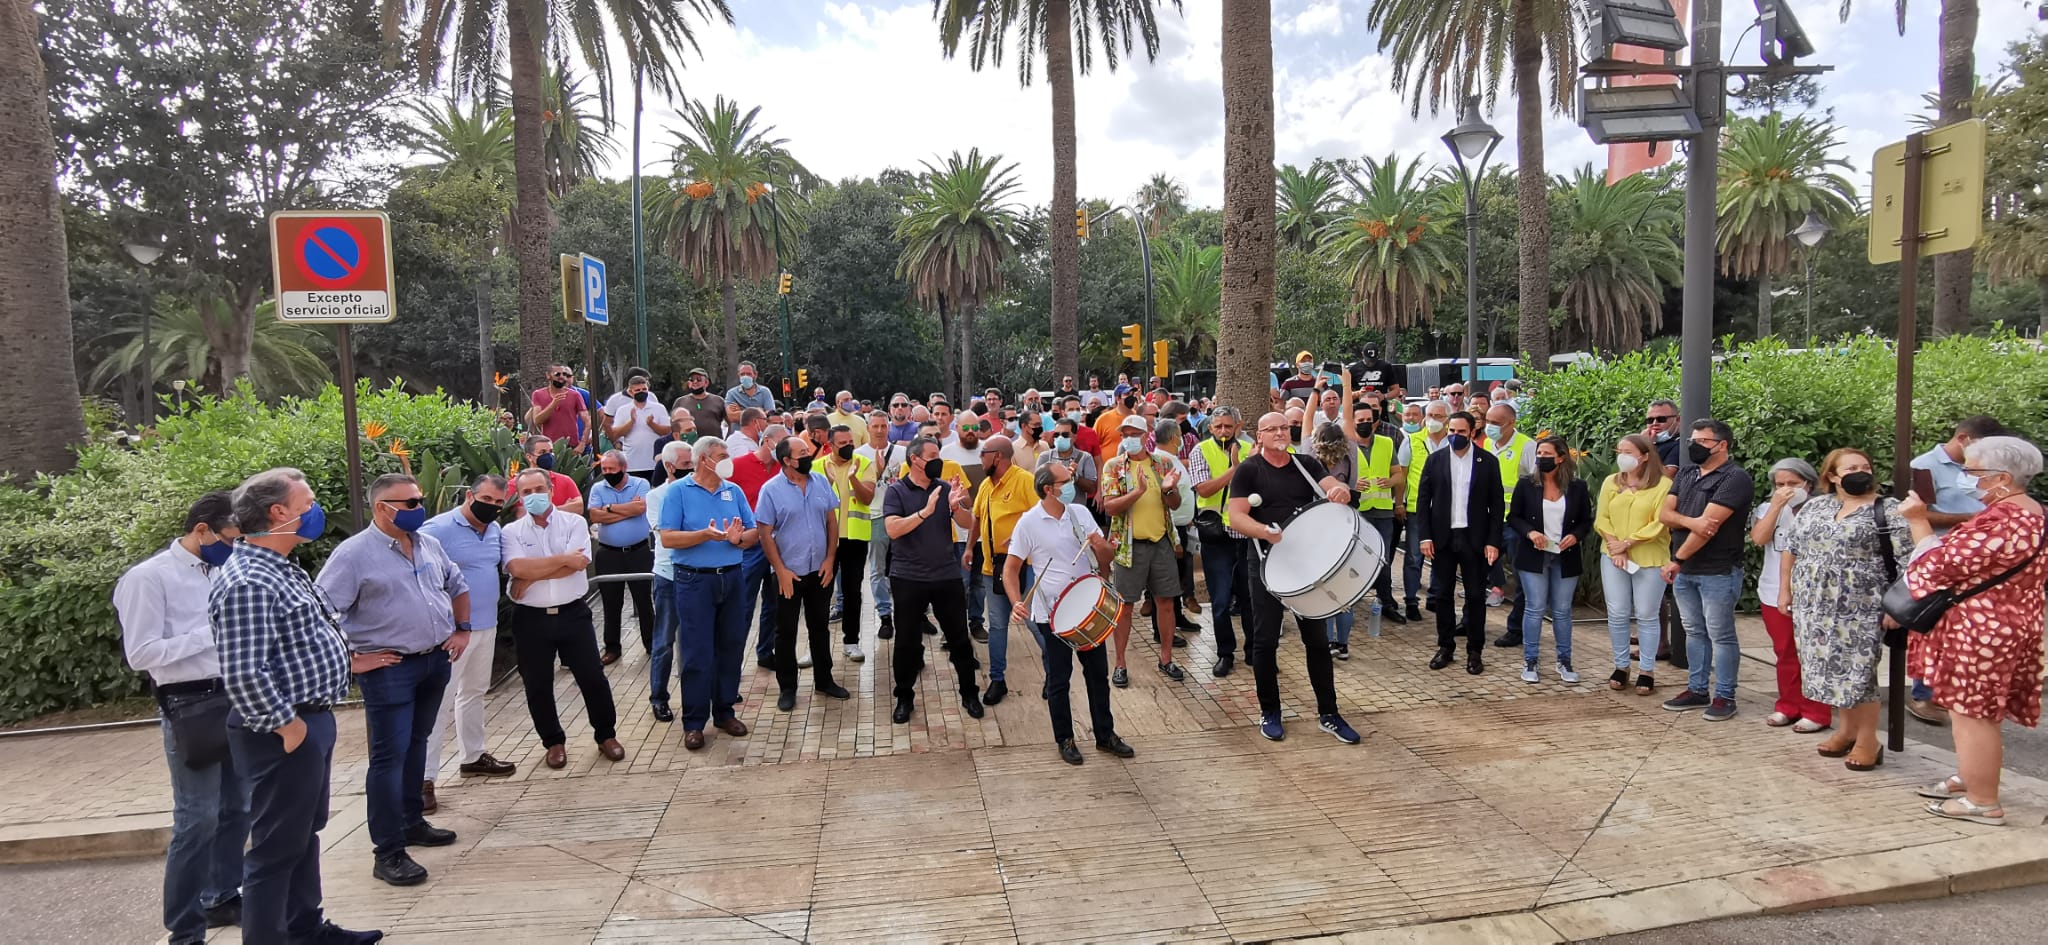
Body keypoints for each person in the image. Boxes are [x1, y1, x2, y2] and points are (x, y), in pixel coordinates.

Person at [209, 468, 377, 945]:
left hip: (309, 719)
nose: (315, 509)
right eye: (307, 501)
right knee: (275, 849)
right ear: (278, 512)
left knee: (303, 836)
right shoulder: (248, 580)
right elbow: (244, 671)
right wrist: (289, 727)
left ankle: (306, 929)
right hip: (283, 728)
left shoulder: (279, 567)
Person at [316, 474, 468, 886]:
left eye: (420, 498)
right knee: (389, 757)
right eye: (411, 501)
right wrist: (351, 660)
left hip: (434, 660)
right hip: (390, 670)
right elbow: (321, 613)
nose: (420, 506)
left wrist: (463, 627)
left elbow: (456, 584)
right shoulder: (353, 555)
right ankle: (388, 852)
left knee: (417, 743)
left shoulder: (427, 543)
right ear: (383, 508)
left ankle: (411, 821)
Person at [115, 492, 249, 944]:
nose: (236, 546)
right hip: (189, 702)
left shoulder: (226, 568)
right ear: (202, 531)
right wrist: (210, 634)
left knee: (239, 807)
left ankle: (221, 895)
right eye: (231, 538)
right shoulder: (149, 578)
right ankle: (185, 928)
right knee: (198, 817)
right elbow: (141, 653)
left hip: (235, 696)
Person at [1899, 436, 2048, 827]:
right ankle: (1971, 775)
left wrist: (1918, 519)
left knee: (1972, 714)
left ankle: (1983, 801)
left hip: (1981, 632)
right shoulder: (2034, 513)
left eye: (1972, 471)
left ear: (2001, 477)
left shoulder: (2005, 519)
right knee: (1978, 711)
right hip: (2007, 624)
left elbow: (1936, 565)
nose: (1966, 478)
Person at [1225, 412, 1360, 744]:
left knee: (1316, 640)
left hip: (1306, 566)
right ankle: (1270, 711)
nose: (1280, 433)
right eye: (1271, 429)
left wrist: (1340, 491)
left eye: (1284, 427)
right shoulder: (1248, 470)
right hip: (1266, 564)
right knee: (1265, 641)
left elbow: (1332, 486)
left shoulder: (1306, 465)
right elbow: (1235, 517)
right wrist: (1265, 532)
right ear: (1260, 435)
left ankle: (1329, 713)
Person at [1779, 448, 1912, 770]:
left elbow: (1910, 561)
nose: (1860, 472)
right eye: (1851, 467)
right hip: (1814, 606)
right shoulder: (1816, 506)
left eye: (1864, 467)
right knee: (1829, 670)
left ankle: (1868, 739)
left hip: (1862, 606)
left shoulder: (1889, 510)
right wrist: (1785, 589)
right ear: (1833, 476)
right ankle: (1847, 730)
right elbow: (1792, 548)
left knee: (1859, 674)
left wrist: (1898, 608)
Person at [1004, 463, 1135, 764]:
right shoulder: (1028, 523)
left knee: (1098, 676)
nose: (1073, 484)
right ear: (1048, 488)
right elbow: (1011, 569)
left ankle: (1106, 735)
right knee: (1059, 680)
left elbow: (1106, 556)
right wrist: (1016, 602)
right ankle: (1065, 739)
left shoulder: (1079, 513)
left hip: (1086, 609)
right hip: (1052, 614)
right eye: (1066, 480)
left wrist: (1102, 547)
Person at [502, 469, 625, 769]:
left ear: (550, 489)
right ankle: (554, 742)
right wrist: (558, 562)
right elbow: (517, 567)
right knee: (538, 684)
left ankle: (606, 735)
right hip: (531, 619)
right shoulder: (511, 532)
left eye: (538, 489)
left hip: (573, 614)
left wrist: (532, 575)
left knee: (593, 678)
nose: (533, 496)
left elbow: (579, 564)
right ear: (519, 496)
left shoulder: (574, 522)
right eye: (526, 492)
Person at [417, 476, 518, 811]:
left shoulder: (494, 531)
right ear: (470, 495)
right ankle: (424, 778)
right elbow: (416, 573)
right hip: (452, 631)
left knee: (474, 693)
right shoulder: (439, 528)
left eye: (498, 502)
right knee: (439, 703)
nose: (491, 506)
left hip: (486, 625)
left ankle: (473, 756)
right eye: (486, 498)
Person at [1904, 415, 2009, 724]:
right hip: (1940, 558)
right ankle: (1924, 696)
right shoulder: (1924, 466)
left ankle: (1954, 692)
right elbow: (1920, 515)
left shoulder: (1985, 465)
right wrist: (1975, 520)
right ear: (1963, 438)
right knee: (1933, 624)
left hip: (1980, 560)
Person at [655, 437, 758, 750]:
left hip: (731, 577)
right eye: (722, 455)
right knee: (698, 652)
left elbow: (753, 533)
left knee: (731, 646)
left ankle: (725, 712)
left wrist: (739, 539)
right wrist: (703, 535)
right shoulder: (677, 492)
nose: (728, 459)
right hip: (694, 581)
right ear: (704, 460)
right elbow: (669, 538)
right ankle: (695, 722)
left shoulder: (733, 490)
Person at [883, 437, 985, 725]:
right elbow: (892, 529)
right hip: (908, 577)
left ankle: (969, 693)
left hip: (945, 575)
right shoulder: (897, 491)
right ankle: (904, 697)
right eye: (932, 455)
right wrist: (924, 512)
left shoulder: (944, 488)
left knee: (959, 640)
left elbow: (967, 524)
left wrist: (955, 506)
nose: (937, 460)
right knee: (905, 642)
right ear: (915, 459)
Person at [1659, 418, 1754, 722]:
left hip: (1717, 570)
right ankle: (1697, 689)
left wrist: (1678, 560)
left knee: (1720, 634)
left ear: (1722, 445)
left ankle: (1725, 695)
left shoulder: (1735, 478)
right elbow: (1665, 514)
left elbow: (1709, 528)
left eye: (1702, 441)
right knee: (1694, 632)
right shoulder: (1687, 473)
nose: (1693, 446)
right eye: (1692, 440)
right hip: (1687, 571)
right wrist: (1692, 521)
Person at [755, 434, 850, 711]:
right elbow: (764, 533)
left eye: (808, 450)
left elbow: (831, 520)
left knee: (820, 628)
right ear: (786, 461)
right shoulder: (771, 490)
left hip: (820, 570)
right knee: (785, 632)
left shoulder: (820, 481)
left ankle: (824, 679)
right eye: (802, 453)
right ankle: (787, 687)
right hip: (789, 574)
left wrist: (831, 559)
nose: (809, 455)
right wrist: (780, 570)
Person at [1100, 414, 1188, 683]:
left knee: (1166, 602)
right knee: (1125, 606)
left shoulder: (1162, 463)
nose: (1130, 439)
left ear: (1146, 434)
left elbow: (1173, 504)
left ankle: (1166, 659)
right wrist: (1137, 492)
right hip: (1129, 547)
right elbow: (1110, 506)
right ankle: (1120, 663)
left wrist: (1169, 489)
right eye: (1125, 434)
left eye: (1135, 434)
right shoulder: (1114, 466)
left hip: (1160, 542)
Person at [1417, 411, 1503, 675]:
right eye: (1451, 431)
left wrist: (1492, 541)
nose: (1455, 436)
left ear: (1472, 432)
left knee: (1476, 595)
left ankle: (1475, 651)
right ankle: (1446, 646)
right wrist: (1425, 536)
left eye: (1461, 432)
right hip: (1442, 538)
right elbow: (1423, 500)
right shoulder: (1436, 460)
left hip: (1474, 538)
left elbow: (1496, 505)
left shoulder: (1487, 462)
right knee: (1442, 594)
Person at [1749, 458, 1828, 730]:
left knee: (1812, 653)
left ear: (1808, 483)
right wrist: (1775, 507)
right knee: (1785, 651)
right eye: (1780, 484)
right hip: (1773, 590)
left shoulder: (1823, 509)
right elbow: (1759, 539)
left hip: (1814, 593)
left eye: (1793, 484)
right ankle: (1788, 705)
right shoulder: (1768, 507)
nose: (1786, 489)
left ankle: (1816, 711)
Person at [1507, 436, 1592, 684]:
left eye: (1546, 453)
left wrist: (1575, 536)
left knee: (1563, 610)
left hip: (1565, 556)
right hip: (1534, 554)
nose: (1541, 457)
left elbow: (1587, 520)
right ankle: (1530, 660)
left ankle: (1564, 661)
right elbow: (1514, 517)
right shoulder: (1526, 484)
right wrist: (1531, 533)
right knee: (1534, 608)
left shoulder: (1577, 487)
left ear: (1561, 457)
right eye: (1539, 453)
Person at [1595, 434, 1673, 697]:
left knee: (1647, 614)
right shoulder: (1611, 482)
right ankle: (1621, 665)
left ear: (1645, 456)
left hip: (1649, 557)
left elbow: (1660, 522)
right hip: (1613, 555)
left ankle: (1647, 670)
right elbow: (1602, 517)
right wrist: (1615, 544)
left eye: (1628, 451)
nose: (1622, 456)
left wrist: (1629, 543)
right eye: (1620, 450)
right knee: (1617, 613)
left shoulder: (1663, 485)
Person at [972, 434, 1037, 704]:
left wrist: (1021, 534)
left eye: (983, 452)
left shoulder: (1024, 480)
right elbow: (975, 518)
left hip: (1023, 566)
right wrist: (967, 548)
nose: (980, 457)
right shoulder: (987, 485)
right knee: (997, 625)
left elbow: (1043, 514)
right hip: (992, 567)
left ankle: (1056, 675)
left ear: (997, 456)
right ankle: (998, 680)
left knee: (1034, 623)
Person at [1190, 406, 1253, 676]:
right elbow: (1204, 488)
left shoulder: (1252, 450)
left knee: (1251, 598)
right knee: (1220, 600)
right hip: (1216, 536)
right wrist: (1237, 468)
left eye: (1229, 426)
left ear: (1238, 427)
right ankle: (1225, 653)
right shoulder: (1200, 451)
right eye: (1218, 427)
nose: (1224, 431)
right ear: (1211, 428)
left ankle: (1255, 651)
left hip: (1247, 535)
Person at [643, 441, 694, 721]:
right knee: (663, 641)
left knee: (699, 638)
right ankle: (659, 697)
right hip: (668, 576)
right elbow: (667, 534)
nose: (692, 469)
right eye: (687, 465)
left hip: (697, 574)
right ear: (670, 467)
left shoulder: (702, 490)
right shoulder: (657, 496)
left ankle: (703, 691)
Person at [588, 450, 654, 664]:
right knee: (610, 603)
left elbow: (642, 508)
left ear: (623, 468)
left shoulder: (640, 484)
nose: (607, 473)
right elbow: (595, 515)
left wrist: (608, 509)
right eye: (604, 469)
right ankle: (612, 648)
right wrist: (627, 509)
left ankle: (652, 645)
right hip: (609, 554)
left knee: (644, 601)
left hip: (639, 552)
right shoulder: (598, 487)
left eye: (611, 469)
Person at [730, 424, 788, 667]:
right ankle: (733, 663)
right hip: (751, 544)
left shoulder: (783, 468)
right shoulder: (739, 466)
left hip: (777, 543)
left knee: (774, 604)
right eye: (782, 443)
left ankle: (766, 652)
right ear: (767, 441)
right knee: (742, 604)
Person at [821, 424, 874, 663]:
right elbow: (814, 502)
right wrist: (831, 483)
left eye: (850, 442)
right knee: (820, 592)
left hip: (854, 538)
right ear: (830, 444)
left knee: (853, 591)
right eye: (842, 443)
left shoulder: (863, 463)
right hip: (824, 540)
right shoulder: (816, 466)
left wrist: (853, 477)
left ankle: (851, 641)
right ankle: (815, 643)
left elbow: (867, 498)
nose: (848, 446)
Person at [1485, 403, 1537, 641]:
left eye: (1496, 423)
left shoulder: (1526, 446)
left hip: (1515, 524)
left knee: (1520, 575)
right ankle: (1471, 619)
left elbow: (1535, 484)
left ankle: (1516, 629)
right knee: (1480, 566)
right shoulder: (1487, 444)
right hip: (1490, 520)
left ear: (1511, 423)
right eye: (1488, 421)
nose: (1490, 427)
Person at [1399, 400, 1452, 622]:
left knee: (1441, 556)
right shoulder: (1411, 441)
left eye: (1438, 416)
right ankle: (1411, 600)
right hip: (1416, 510)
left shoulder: (1453, 442)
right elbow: (1402, 474)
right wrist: (1399, 503)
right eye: (1429, 415)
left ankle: (1434, 596)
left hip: (1444, 511)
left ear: (1447, 419)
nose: (1433, 420)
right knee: (1413, 556)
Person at [858, 413, 909, 640]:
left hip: (900, 516)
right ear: (868, 428)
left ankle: (909, 613)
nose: (879, 430)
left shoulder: (901, 453)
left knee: (905, 566)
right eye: (875, 426)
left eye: (883, 426)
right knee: (877, 568)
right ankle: (885, 615)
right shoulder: (859, 455)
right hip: (875, 516)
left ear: (888, 428)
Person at [942, 413, 992, 639]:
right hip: (958, 530)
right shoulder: (946, 453)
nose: (970, 431)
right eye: (966, 427)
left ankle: (976, 622)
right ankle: (954, 626)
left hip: (986, 528)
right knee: (959, 582)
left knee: (979, 582)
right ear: (957, 428)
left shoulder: (989, 449)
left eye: (974, 426)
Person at [603, 370, 669, 480]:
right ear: (631, 392)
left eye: (644, 389)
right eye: (637, 390)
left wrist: (652, 424)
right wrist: (631, 422)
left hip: (655, 462)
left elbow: (667, 431)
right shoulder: (623, 410)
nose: (641, 392)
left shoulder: (658, 408)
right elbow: (614, 435)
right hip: (633, 464)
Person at [529, 364, 590, 452]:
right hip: (549, 447)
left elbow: (587, 422)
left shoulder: (575, 395)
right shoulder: (538, 394)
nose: (562, 377)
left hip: (571, 447)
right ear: (548, 375)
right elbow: (537, 420)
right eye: (557, 374)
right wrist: (553, 405)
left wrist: (582, 444)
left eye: (564, 374)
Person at [520, 434, 584, 514]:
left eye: (551, 451)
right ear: (529, 457)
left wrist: (548, 511)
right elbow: (518, 513)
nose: (548, 456)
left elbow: (579, 507)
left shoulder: (565, 480)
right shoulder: (517, 483)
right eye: (542, 452)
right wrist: (564, 508)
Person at [648, 406, 698, 487]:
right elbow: (658, 459)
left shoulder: (699, 444)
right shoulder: (662, 442)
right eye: (688, 430)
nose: (693, 433)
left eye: (694, 429)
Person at [675, 368, 726, 441]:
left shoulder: (718, 400)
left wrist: (728, 439)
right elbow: (674, 426)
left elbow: (730, 423)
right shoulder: (680, 401)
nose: (695, 382)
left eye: (698, 379)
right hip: (689, 445)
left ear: (706, 383)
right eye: (692, 379)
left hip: (713, 445)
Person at [1644, 399, 1682, 475]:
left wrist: (1647, 447)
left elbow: (1668, 475)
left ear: (1677, 420)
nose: (1654, 423)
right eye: (1650, 420)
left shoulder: (1680, 444)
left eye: (1661, 419)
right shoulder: (1649, 442)